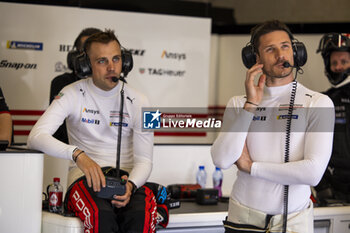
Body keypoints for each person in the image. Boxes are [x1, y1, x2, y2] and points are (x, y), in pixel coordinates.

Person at [28, 29, 169, 232]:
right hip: (85, 181)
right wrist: (78, 155)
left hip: (128, 182)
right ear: (86, 65)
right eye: (102, 61)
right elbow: (35, 137)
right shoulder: (70, 93)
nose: (112, 67)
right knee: (101, 217)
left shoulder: (144, 102)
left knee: (142, 216)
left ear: (125, 62)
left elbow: (145, 161)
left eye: (116, 59)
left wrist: (130, 186)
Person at [211, 20, 334, 232]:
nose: (281, 55)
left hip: (294, 221)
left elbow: (312, 173)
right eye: (270, 49)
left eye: (285, 46)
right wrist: (251, 106)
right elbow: (222, 159)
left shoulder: (318, 102)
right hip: (243, 220)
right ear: (255, 58)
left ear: (296, 52)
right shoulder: (239, 103)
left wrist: (251, 167)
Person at [50, 27, 102, 144]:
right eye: (86, 52)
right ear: (76, 56)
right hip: (70, 153)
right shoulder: (63, 84)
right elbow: (57, 130)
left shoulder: (121, 86)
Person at [315, 33, 350, 204]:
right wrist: (322, 187)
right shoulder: (322, 101)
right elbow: (310, 146)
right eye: (334, 63)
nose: (338, 67)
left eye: (344, 62)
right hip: (334, 189)